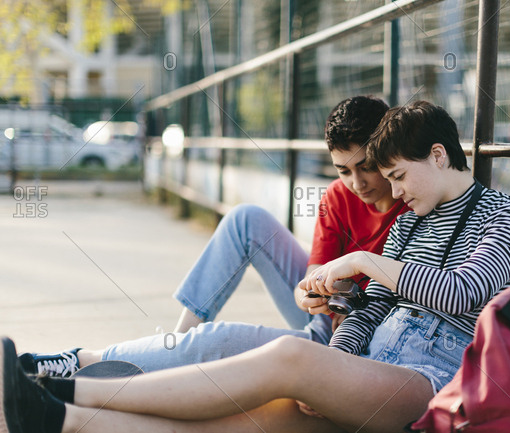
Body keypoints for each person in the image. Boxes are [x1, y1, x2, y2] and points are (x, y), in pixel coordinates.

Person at [1, 101, 510, 433]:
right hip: (371, 372)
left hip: (431, 381)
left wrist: (363, 262)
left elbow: (467, 291)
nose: (392, 191)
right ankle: (53, 417)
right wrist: (334, 368)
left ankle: (71, 387)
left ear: (439, 157)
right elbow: (368, 314)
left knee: (287, 354)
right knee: (226, 424)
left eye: (398, 176)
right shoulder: (409, 225)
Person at [18, 95, 409, 377]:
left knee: (214, 342)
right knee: (246, 219)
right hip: (327, 321)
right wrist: (311, 296)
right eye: (343, 170)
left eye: (366, 167)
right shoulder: (337, 196)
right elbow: (304, 287)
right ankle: (175, 343)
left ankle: (84, 362)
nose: (356, 182)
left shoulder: (414, 200)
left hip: (359, 342)